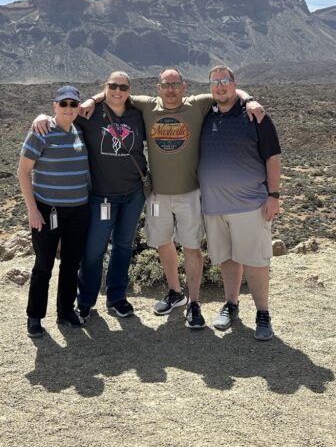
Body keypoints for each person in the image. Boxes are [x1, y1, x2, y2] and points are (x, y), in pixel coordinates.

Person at [84, 67, 265, 330]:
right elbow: (114, 94)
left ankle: (194, 303)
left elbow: (228, 91)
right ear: (158, 88)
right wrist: (91, 100)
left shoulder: (198, 104)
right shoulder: (147, 105)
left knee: (192, 247)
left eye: (175, 84)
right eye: (165, 85)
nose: (170, 90)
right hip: (157, 195)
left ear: (184, 87)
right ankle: (174, 292)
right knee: (163, 242)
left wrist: (250, 100)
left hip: (190, 193)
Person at [32, 72, 148, 319]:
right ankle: (85, 300)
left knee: (123, 246)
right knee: (93, 251)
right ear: (105, 87)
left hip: (133, 194)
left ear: (129, 90)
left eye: (123, 87)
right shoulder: (88, 114)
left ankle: (117, 298)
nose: (118, 91)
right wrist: (41, 117)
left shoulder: (138, 115)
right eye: (112, 86)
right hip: (100, 196)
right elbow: (63, 118)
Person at [198, 65, 281, 341]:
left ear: (234, 84)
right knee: (227, 258)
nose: (219, 86)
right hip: (214, 206)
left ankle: (263, 314)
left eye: (225, 81)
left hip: (249, 204)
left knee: (257, 261)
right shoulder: (204, 115)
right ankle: (231, 304)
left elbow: (273, 156)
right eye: (214, 82)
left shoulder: (254, 116)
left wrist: (274, 195)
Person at [17, 85, 90, 338]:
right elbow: (23, 172)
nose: (69, 108)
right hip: (48, 210)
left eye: (73, 104)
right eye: (64, 104)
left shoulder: (79, 132)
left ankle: (65, 311)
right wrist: (32, 210)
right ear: (54, 106)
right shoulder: (41, 131)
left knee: (71, 264)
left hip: (79, 210)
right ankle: (34, 317)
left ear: (78, 107)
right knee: (44, 265)